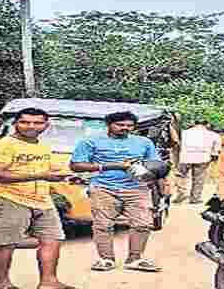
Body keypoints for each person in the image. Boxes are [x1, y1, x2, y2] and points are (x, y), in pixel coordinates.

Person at [0, 107, 84, 289]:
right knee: (6, 243)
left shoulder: (42, 147)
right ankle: (1, 283)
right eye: (25, 122)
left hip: (43, 201)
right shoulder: (2, 145)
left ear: (46, 125)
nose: (31, 126)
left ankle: (49, 283)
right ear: (15, 124)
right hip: (9, 198)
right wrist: (41, 175)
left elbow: (51, 171)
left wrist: (68, 177)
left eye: (38, 122)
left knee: (52, 240)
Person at [70, 111, 164, 273]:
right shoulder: (90, 141)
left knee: (143, 223)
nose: (125, 128)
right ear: (109, 125)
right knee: (103, 225)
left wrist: (161, 184)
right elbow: (76, 165)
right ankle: (106, 259)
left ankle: (135, 258)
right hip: (103, 187)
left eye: (129, 126)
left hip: (137, 188)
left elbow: (156, 165)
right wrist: (113, 166)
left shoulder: (144, 142)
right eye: (120, 125)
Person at [174, 119, 221, 204]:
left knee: (181, 176)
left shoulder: (183, 133)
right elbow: (216, 150)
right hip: (203, 157)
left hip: (185, 157)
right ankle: (195, 198)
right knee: (199, 178)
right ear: (207, 124)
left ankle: (182, 192)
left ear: (194, 123)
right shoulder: (214, 135)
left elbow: (177, 144)